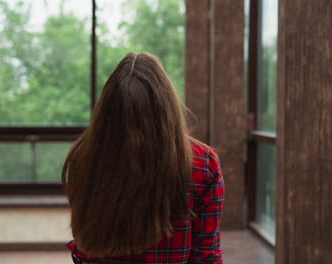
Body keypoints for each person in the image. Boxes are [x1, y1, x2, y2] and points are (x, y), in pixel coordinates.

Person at [62, 52, 224, 264]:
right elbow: (206, 257)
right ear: (166, 108)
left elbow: (83, 247)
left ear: (107, 111)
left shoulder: (84, 158)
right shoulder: (204, 164)